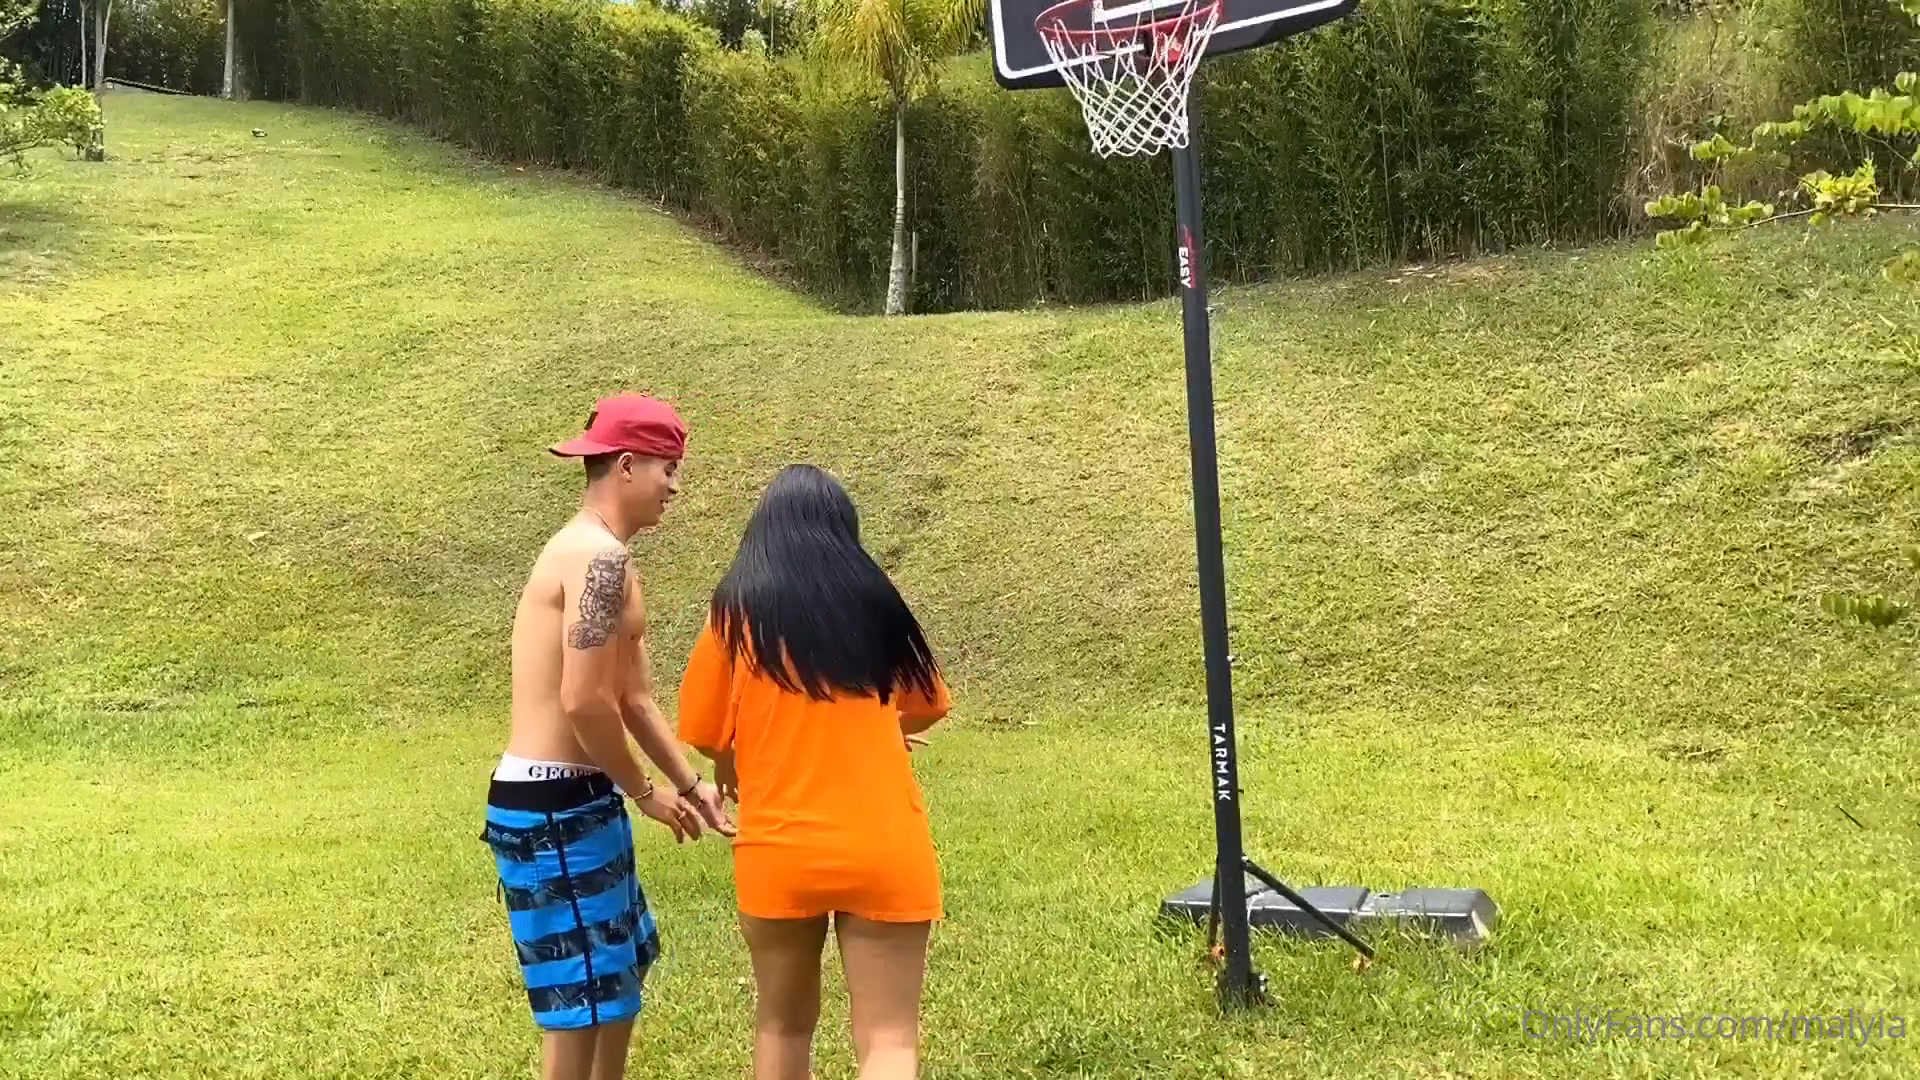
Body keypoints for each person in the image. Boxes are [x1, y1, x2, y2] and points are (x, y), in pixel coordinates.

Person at [481, 392, 736, 1080]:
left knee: (619, 974)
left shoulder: (607, 556)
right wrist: (644, 793)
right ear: (626, 465)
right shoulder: (595, 558)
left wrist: (692, 785)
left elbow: (633, 698)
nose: (675, 487)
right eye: (668, 469)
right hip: (552, 810)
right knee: (581, 1001)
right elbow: (585, 701)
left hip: (581, 801)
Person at [677, 464, 951, 1080]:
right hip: (884, 846)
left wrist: (730, 763)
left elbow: (703, 727)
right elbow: (931, 703)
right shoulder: (875, 600)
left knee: (783, 1025)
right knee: (888, 1040)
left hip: (779, 849)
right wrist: (884, 729)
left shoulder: (735, 613)